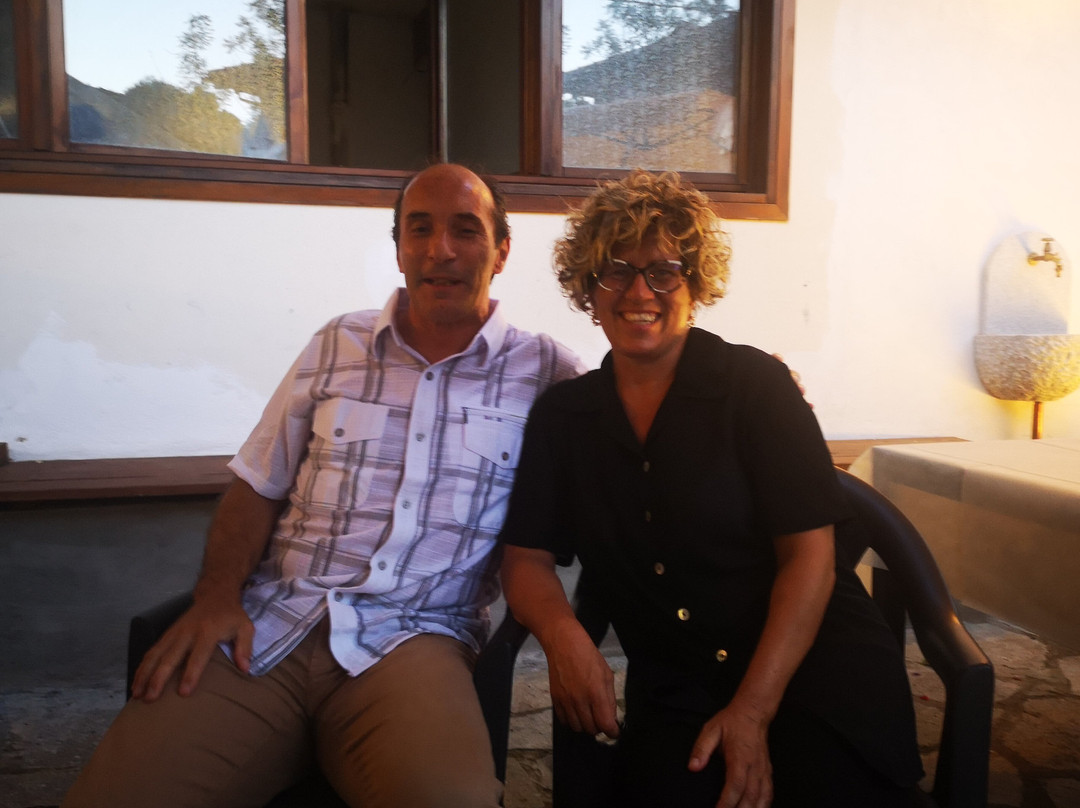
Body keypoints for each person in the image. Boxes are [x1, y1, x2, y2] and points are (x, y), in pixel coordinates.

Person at [62, 163, 585, 808]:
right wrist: (216, 596)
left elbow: (624, 446)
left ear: (501, 251)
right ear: (399, 248)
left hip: (415, 644)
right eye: (419, 229)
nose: (440, 250)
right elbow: (257, 483)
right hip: (268, 631)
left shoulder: (546, 373)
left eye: (466, 230)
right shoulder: (337, 343)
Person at [499, 170, 924, 808]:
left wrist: (752, 710)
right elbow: (525, 558)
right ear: (588, 288)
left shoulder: (756, 388)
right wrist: (562, 636)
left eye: (663, 271)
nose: (638, 291)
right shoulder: (565, 418)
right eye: (615, 270)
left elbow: (810, 558)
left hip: (812, 671)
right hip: (680, 695)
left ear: (695, 284)